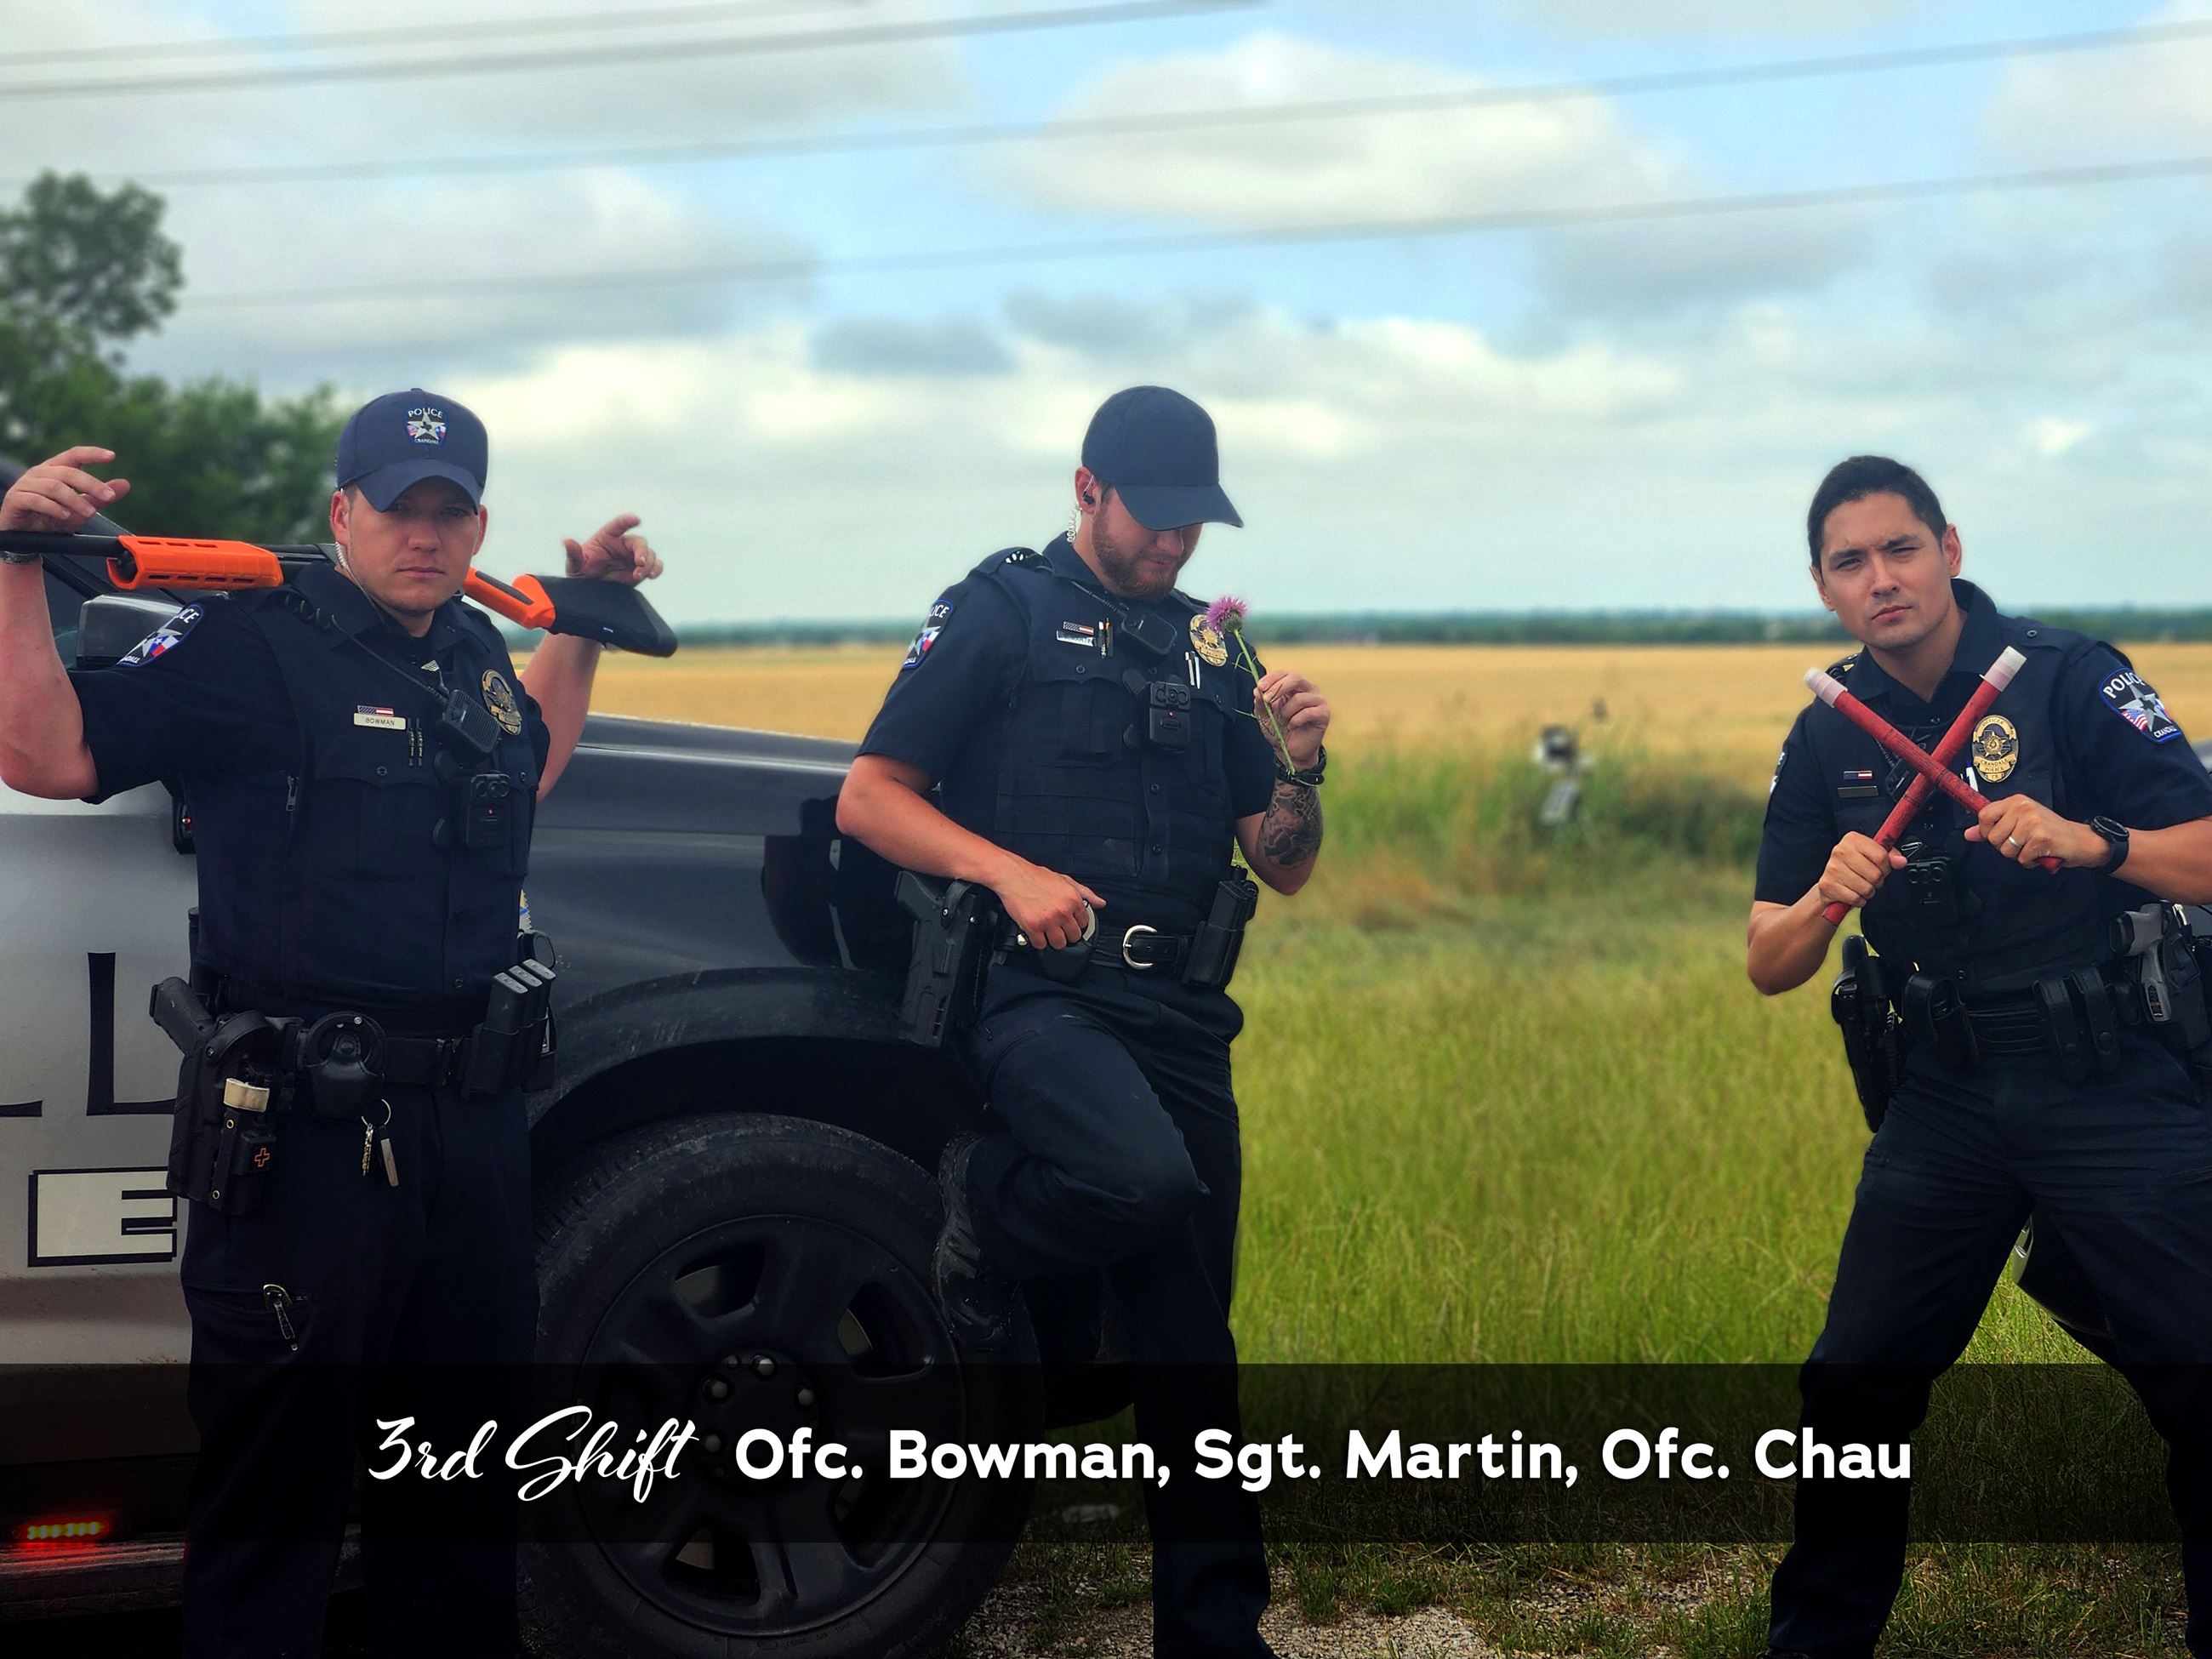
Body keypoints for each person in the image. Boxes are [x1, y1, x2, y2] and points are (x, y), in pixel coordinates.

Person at [0, 390, 663, 1657]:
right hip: (308, 1134)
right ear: (342, 511)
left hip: (472, 1129)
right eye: (400, 508)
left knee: (463, 1482)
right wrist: (21, 562)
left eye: (450, 511)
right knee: (277, 1500)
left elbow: (528, 763)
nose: (425, 534)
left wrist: (579, 617)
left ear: (479, 527)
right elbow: (49, 755)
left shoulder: (470, 646)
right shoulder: (245, 643)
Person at [835, 385, 1330, 1658]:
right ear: (1086, 488)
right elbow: (871, 797)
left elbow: (1282, 862)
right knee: (1140, 1180)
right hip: (1040, 993)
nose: (1174, 542)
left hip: (1183, 1012)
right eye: (1152, 515)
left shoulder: (1213, 651)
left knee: (1193, 1347)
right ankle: (982, 1201)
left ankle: (1214, 1637)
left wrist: (1301, 766)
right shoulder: (999, 610)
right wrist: (1007, 871)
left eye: (1194, 523)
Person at [1747, 454, 2212, 1659]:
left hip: (2108, 1074)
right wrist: (1826, 899)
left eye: (1901, 548)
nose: (1881, 578)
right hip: (1945, 1094)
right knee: (1853, 1385)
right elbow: (1767, 960)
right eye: (1850, 562)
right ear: (1823, 586)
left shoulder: (2068, 678)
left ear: (1949, 549)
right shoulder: (1827, 731)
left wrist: (2097, 840)